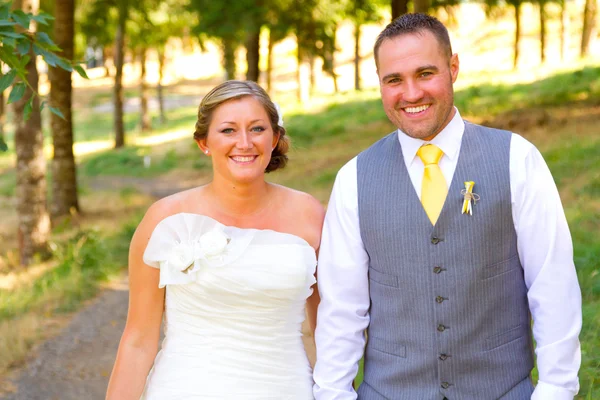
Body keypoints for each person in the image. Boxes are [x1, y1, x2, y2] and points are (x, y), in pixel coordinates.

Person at [313, 13, 582, 400]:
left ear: (453, 68)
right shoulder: (353, 178)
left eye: (425, 73)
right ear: (380, 83)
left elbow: (553, 284)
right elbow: (342, 310)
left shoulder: (516, 159)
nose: (411, 93)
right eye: (394, 80)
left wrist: (555, 389)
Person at [106, 80, 324, 399]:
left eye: (257, 129)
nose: (245, 142)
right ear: (203, 142)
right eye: (228, 130)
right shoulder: (165, 219)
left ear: (275, 138)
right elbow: (138, 340)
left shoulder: (309, 215)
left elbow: (330, 334)